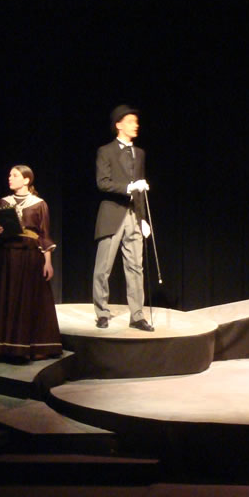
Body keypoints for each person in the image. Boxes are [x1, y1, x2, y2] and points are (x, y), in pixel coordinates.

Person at [0, 165, 62, 360]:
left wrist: (48, 262)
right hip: (8, 256)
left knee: (29, 301)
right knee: (8, 299)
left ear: (26, 180)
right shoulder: (3, 202)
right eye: (9, 175)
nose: (10, 178)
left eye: (15, 175)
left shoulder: (39, 204)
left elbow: (44, 235)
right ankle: (6, 348)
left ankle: (33, 348)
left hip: (30, 257)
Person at [93, 104, 154, 331]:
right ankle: (102, 312)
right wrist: (129, 187)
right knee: (103, 268)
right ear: (118, 125)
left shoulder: (140, 153)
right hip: (112, 213)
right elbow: (103, 183)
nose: (135, 125)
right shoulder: (105, 151)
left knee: (136, 267)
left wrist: (143, 218)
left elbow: (140, 189)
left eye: (136, 122)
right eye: (130, 121)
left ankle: (137, 315)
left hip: (133, 215)